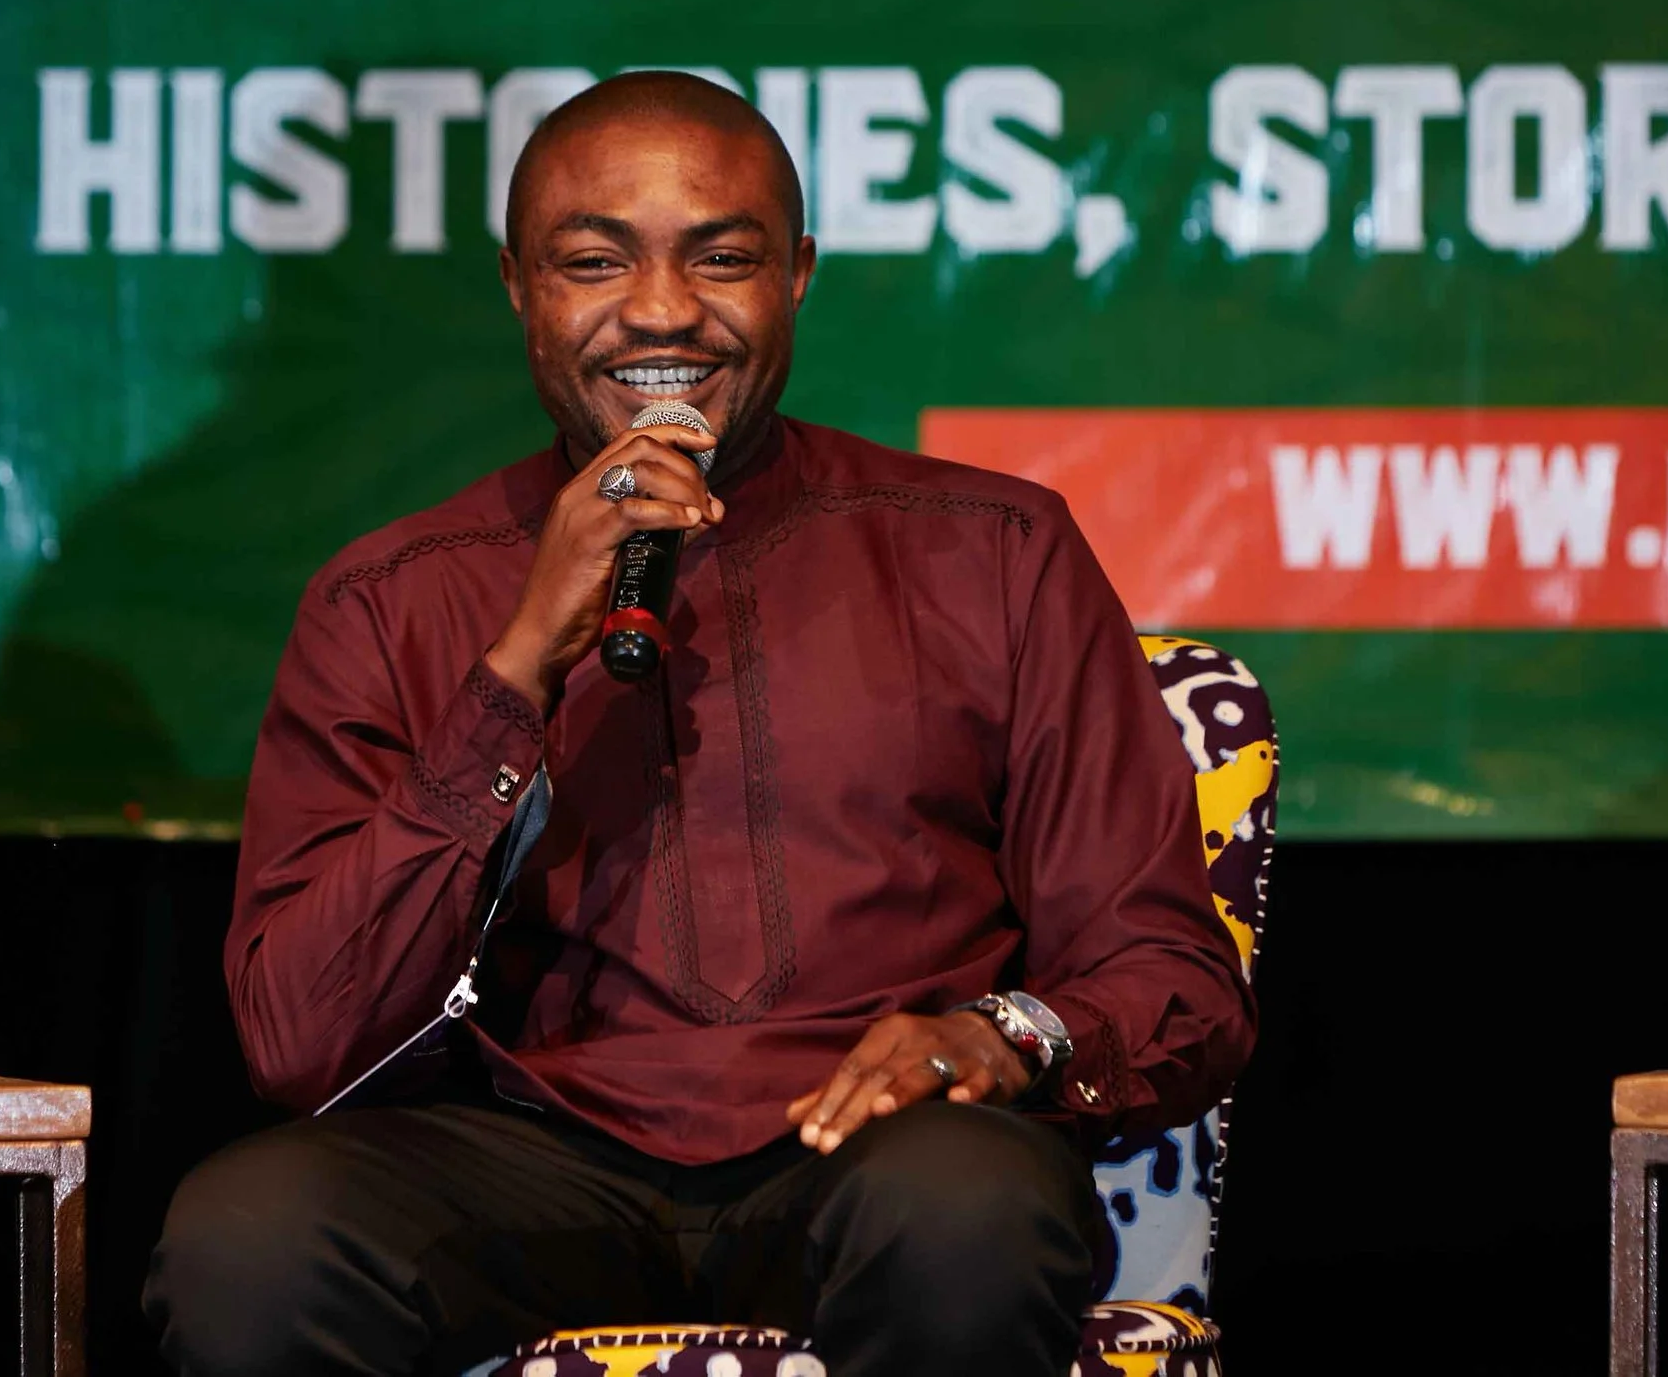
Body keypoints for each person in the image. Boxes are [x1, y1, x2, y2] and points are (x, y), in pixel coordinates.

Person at [147, 71, 1255, 1377]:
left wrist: (995, 1036)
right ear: (519, 286)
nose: (663, 310)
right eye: (595, 260)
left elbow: (1168, 975)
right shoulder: (392, 597)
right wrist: (516, 666)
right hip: (529, 1152)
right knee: (248, 1235)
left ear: (800, 273)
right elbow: (298, 1037)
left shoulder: (996, 552)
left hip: (879, 1149)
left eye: (722, 257)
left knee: (968, 1208)